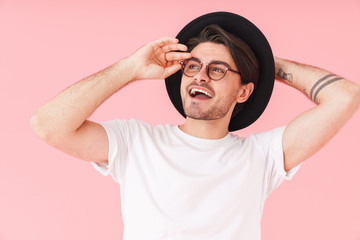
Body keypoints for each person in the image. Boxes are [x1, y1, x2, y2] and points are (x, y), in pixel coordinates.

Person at [30, 12, 360, 240]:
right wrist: (129, 68)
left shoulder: (263, 156)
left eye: (217, 70)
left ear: (244, 91)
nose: (200, 76)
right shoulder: (136, 142)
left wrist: (266, 62)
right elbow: (48, 125)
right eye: (193, 66)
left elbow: (345, 97)